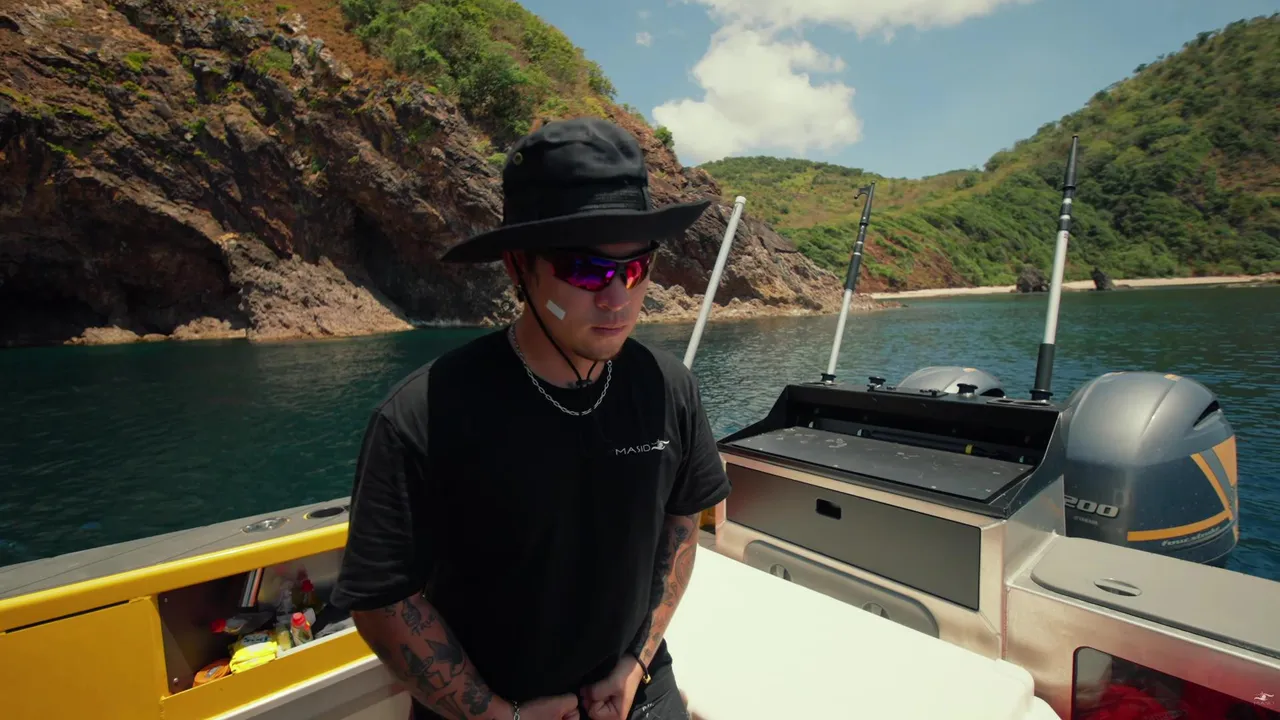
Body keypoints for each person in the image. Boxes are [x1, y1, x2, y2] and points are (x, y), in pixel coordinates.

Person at [330, 116, 732, 720]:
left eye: (635, 268)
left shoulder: (668, 387)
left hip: (638, 685)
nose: (617, 298)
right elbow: (383, 600)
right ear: (518, 267)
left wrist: (636, 662)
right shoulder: (424, 413)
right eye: (587, 271)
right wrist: (498, 715)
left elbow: (682, 522)